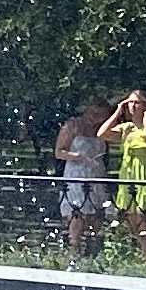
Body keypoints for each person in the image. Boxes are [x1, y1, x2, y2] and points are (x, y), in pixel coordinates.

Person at [107, 88, 146, 268]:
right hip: (128, 175)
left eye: (136, 102)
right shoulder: (126, 128)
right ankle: (142, 257)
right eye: (130, 103)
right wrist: (118, 111)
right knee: (132, 220)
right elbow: (102, 134)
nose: (133, 106)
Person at [54, 102, 111, 264]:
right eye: (93, 112)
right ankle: (74, 252)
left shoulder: (102, 130)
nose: (95, 117)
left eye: (100, 115)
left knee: (97, 212)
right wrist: (79, 157)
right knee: (77, 212)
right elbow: (59, 152)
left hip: (96, 173)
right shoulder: (73, 125)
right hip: (77, 172)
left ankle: (96, 254)